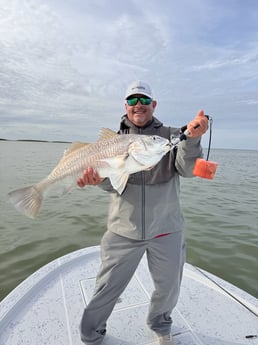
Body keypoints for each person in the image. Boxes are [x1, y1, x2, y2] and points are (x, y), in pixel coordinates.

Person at [77, 80, 208, 345]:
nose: (139, 105)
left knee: (168, 288)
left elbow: (187, 169)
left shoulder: (171, 136)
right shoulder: (111, 142)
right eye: (133, 100)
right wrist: (96, 180)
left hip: (167, 229)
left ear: (154, 105)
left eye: (145, 100)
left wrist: (193, 140)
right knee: (105, 288)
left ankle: (160, 326)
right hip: (122, 230)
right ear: (125, 106)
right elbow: (111, 184)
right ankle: (91, 335)